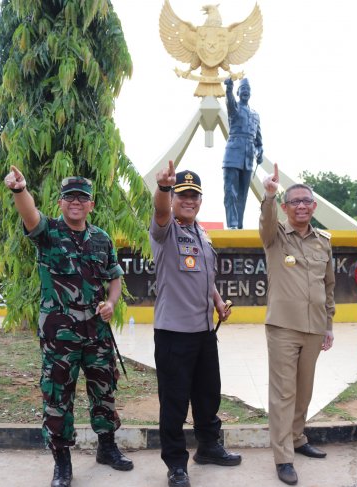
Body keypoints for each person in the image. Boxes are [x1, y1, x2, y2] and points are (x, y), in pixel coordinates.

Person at [4, 167, 132, 487]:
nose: (76, 202)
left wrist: (112, 303)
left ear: (91, 205)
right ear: (60, 202)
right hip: (59, 334)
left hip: (97, 332)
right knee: (58, 395)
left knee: (104, 389)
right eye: (70, 197)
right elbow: (30, 215)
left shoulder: (101, 239)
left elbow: (114, 276)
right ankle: (62, 461)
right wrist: (21, 191)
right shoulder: (48, 233)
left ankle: (107, 447)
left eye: (83, 198)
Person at [150, 161, 241, 487]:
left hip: (204, 332)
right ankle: (176, 464)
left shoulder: (201, 233)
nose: (189, 200)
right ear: (174, 197)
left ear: (201, 200)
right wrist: (162, 187)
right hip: (174, 333)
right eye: (183, 194)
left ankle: (208, 446)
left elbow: (206, 276)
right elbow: (160, 211)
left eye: (195, 196)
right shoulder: (165, 229)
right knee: (174, 402)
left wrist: (217, 302)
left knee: (207, 395)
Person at [260, 163, 335, 486]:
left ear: (314, 206)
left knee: (304, 391)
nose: (302, 206)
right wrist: (269, 197)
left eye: (307, 201)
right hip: (283, 327)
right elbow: (265, 222)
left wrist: (329, 325)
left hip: (315, 326)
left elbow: (328, 286)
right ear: (287, 207)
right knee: (283, 393)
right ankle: (283, 457)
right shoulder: (275, 235)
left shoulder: (323, 241)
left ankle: (298, 438)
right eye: (295, 202)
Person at [223, 77, 263, 229]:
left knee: (243, 195)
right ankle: (232, 224)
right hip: (233, 154)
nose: (245, 92)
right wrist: (228, 89)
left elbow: (259, 141)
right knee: (230, 191)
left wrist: (259, 152)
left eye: (248, 90)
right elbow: (230, 103)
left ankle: (239, 225)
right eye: (243, 90)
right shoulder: (235, 108)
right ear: (238, 92)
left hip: (248, 157)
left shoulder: (255, 115)